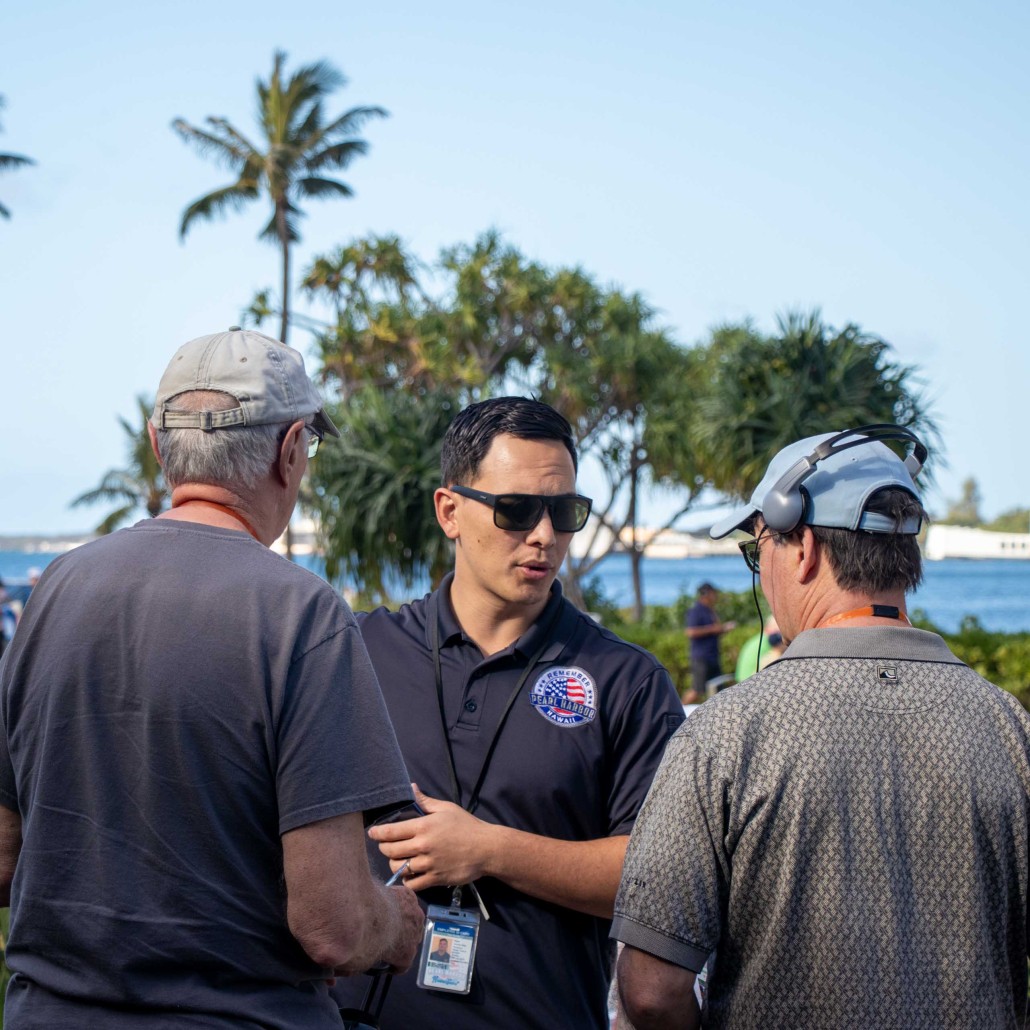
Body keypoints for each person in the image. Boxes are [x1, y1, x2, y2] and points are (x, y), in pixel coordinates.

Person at [0, 327, 424, 1028]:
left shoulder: (55, 590)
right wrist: (397, 922)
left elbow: (6, 860)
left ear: (159, 446)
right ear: (290, 453)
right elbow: (334, 926)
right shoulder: (301, 613)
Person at [612, 426, 1030, 1029]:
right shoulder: (1009, 728)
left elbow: (650, 990)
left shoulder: (725, 734)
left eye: (759, 551)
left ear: (802, 546)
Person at [332, 396, 685, 1029]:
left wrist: (490, 850)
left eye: (564, 512)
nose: (545, 535)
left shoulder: (626, 681)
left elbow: (655, 879)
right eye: (517, 509)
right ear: (450, 511)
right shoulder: (359, 653)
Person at [683, 582, 735, 698]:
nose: (716, 596)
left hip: (713, 656)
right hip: (702, 657)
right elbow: (690, 632)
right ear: (706, 594)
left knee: (718, 688)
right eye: (713, 593)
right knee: (697, 690)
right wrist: (712, 629)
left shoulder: (710, 610)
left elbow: (715, 630)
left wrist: (723, 629)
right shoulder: (697, 610)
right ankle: (680, 712)